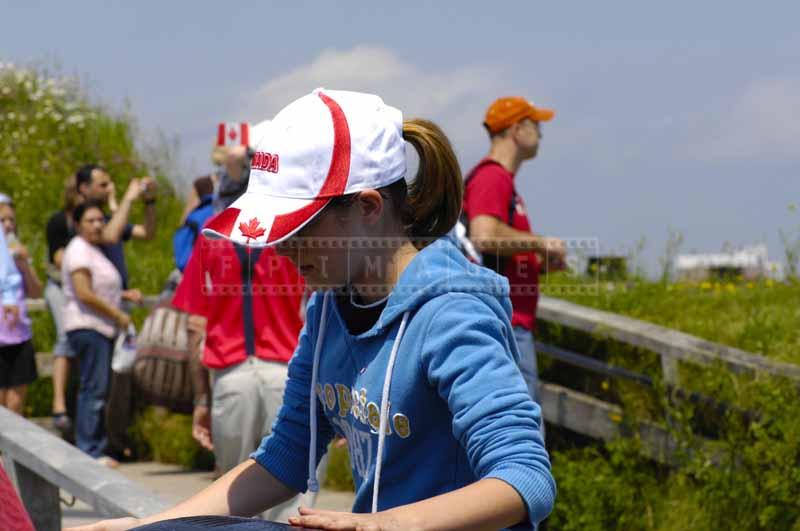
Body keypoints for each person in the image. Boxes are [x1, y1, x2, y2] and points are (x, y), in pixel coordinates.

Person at [72, 89, 554, 531]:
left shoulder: (451, 313)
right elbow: (286, 456)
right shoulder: (329, 305)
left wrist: (385, 524)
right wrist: (152, 526)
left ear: (368, 207)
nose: (278, 248)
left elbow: (524, 477)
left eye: (297, 228)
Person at [463, 96, 566, 413]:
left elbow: (497, 252)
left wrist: (540, 263)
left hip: (508, 324)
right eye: (536, 125)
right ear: (518, 129)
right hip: (504, 326)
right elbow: (484, 236)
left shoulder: (499, 180)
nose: (541, 134)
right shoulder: (493, 177)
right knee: (521, 431)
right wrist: (540, 243)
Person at [61, 201, 143, 466]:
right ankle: (90, 450)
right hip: (88, 326)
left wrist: (122, 296)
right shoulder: (78, 251)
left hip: (100, 327)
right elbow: (84, 293)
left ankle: (95, 446)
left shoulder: (95, 250)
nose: (97, 225)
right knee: (94, 390)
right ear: (77, 225)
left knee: (99, 388)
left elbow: (100, 288)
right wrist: (117, 314)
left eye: (100, 220)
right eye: (90, 220)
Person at [45, 175, 83, 432]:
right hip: (59, 286)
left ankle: (73, 403)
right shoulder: (60, 222)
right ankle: (58, 404)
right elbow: (59, 259)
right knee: (64, 338)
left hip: (81, 288)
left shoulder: (92, 220)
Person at [0, 195, 42, 415]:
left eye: (11, 220)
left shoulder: (18, 255)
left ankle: (8, 451)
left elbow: (36, 291)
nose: (8, 225)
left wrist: (25, 265)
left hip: (18, 334)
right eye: (2, 220)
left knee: (15, 405)